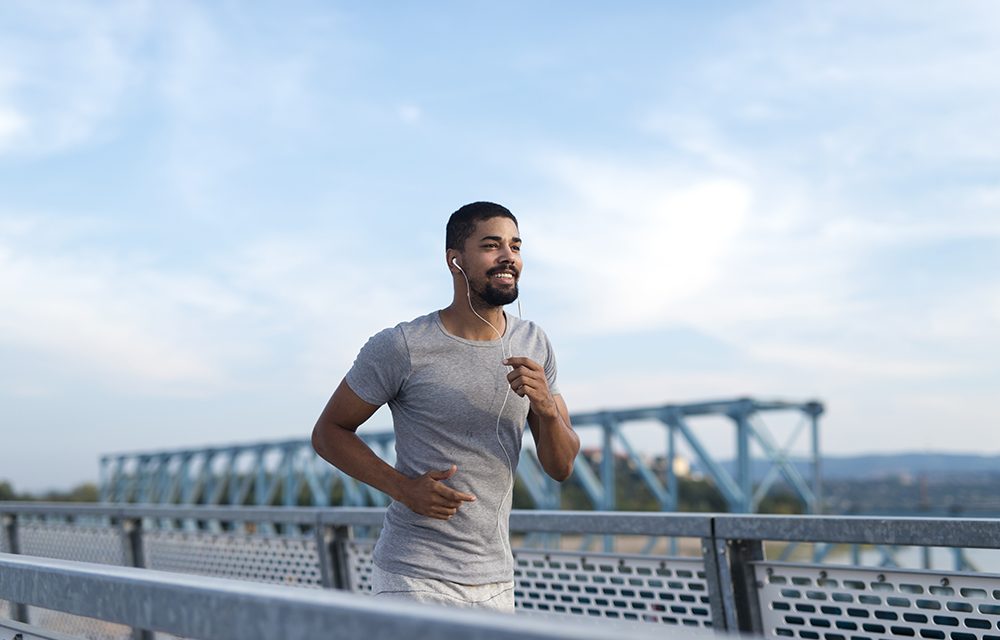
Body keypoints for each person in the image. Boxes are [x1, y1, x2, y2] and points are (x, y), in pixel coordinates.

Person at [311, 201, 579, 613]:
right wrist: (403, 488)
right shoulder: (402, 345)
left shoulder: (534, 343)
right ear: (456, 260)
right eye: (492, 245)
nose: (509, 257)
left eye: (516, 246)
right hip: (413, 575)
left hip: (496, 581)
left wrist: (545, 408)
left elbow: (561, 467)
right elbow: (329, 432)